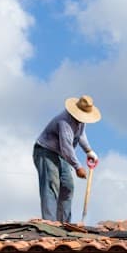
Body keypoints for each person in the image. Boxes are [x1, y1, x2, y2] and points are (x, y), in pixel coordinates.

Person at [33, 94, 101, 222]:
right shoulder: (65, 122)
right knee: (51, 185)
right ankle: (50, 222)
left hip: (61, 155)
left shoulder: (80, 122)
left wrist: (89, 150)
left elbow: (80, 135)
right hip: (45, 151)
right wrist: (78, 167)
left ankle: (64, 223)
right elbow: (66, 147)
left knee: (67, 187)